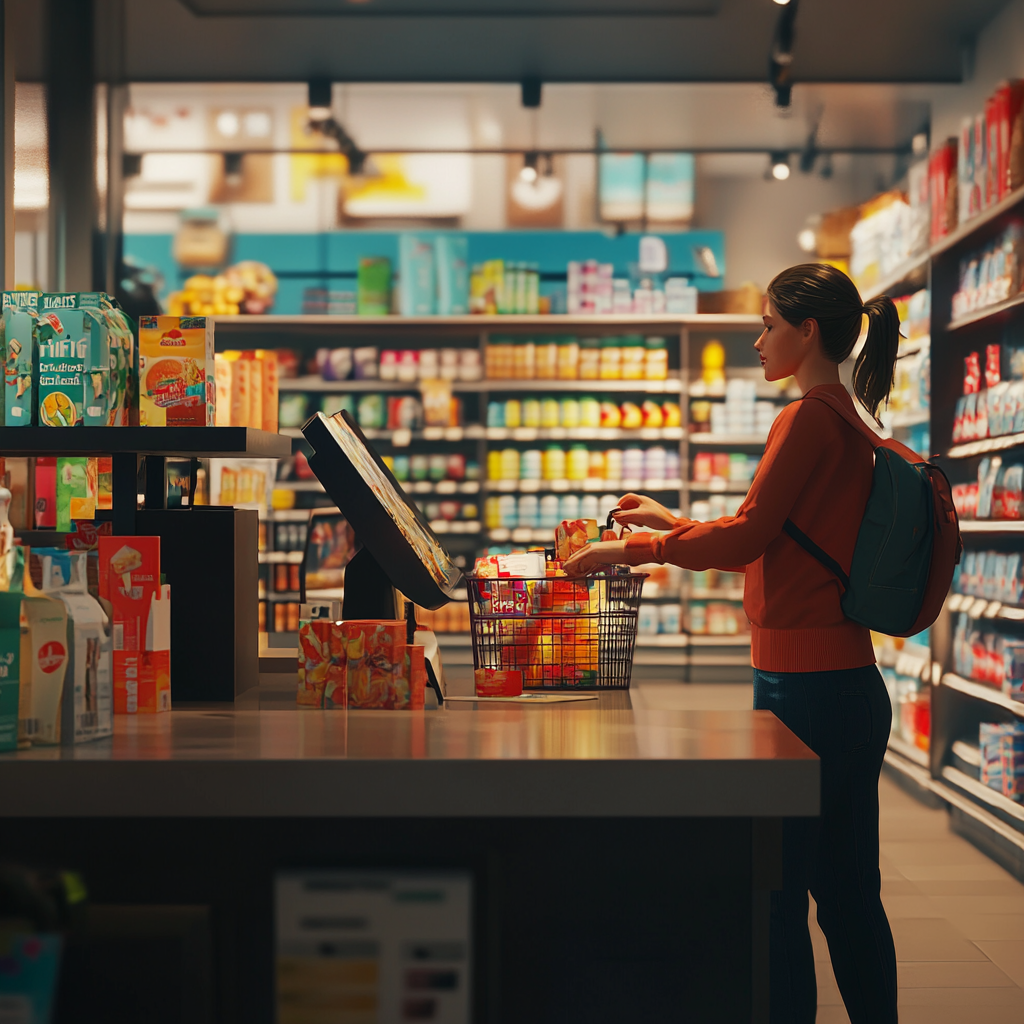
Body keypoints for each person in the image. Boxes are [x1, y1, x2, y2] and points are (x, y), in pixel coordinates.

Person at [564, 262, 903, 1024]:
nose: (756, 341)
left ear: (806, 331)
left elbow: (750, 537)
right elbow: (776, 530)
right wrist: (670, 520)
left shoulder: (806, 416)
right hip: (841, 681)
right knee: (849, 892)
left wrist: (627, 551)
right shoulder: (843, 413)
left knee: (780, 891)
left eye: (767, 325)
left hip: (805, 691)